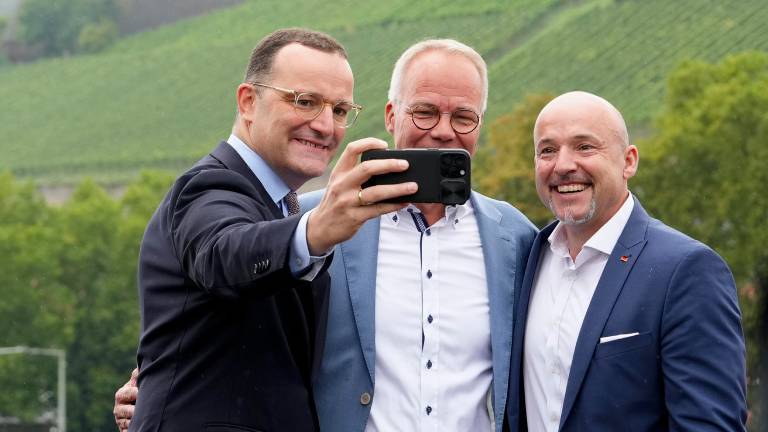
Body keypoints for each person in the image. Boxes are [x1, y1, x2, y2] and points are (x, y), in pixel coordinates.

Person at [115, 39, 537, 432]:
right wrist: (158, 384)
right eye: (424, 112)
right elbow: (227, 258)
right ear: (391, 116)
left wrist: (160, 379)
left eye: (463, 117)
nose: (443, 131)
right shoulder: (316, 219)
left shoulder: (516, 237)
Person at [124, 28, 416, 432]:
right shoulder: (209, 186)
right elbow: (226, 254)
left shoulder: (280, 206)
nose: (325, 125)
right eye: (305, 102)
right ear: (248, 102)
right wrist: (315, 231)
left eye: (340, 110)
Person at [505, 91, 748, 431]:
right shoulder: (527, 256)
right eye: (548, 150)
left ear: (629, 161)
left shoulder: (686, 270)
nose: (563, 165)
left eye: (584, 147)